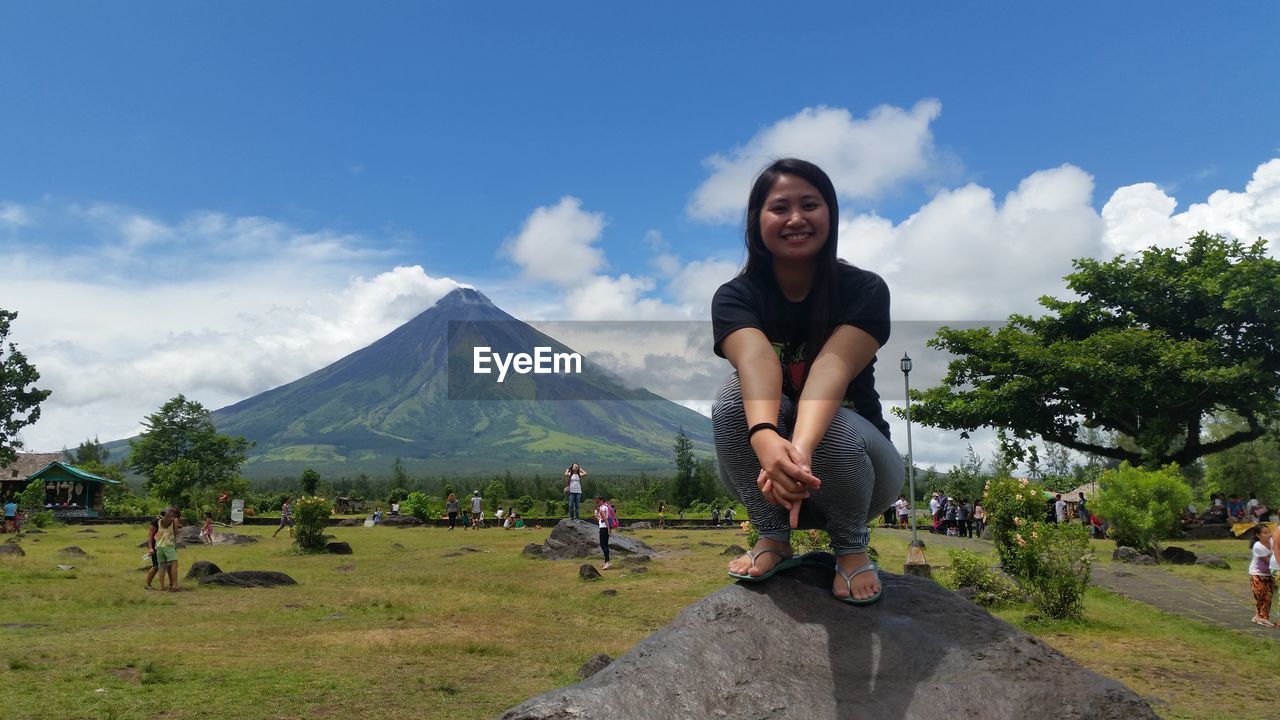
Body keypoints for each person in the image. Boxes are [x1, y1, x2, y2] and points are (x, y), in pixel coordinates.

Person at [712, 158, 903, 605]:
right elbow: (756, 360)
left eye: (810, 205)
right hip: (766, 482)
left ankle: (852, 547)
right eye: (780, 207)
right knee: (730, 397)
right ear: (756, 221)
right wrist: (763, 437)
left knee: (827, 417)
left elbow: (831, 370)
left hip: (862, 473)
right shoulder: (736, 296)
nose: (796, 218)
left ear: (830, 214)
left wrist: (795, 453)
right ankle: (772, 537)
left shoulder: (864, 290)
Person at [1249, 525, 1276, 627]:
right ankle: (1263, 618)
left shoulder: (1272, 542)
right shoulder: (1258, 546)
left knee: (1267, 595)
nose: (1268, 535)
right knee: (1262, 595)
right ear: (1258, 535)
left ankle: (1259, 616)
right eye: (1264, 533)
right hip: (1257, 574)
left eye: (1268, 532)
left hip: (1268, 574)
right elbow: (1269, 561)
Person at [155, 507, 181, 592]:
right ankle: (175, 585)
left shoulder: (159, 521)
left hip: (159, 546)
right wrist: (180, 530)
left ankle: (161, 586)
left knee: (162, 566)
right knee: (174, 564)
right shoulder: (175, 520)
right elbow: (176, 532)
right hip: (168, 545)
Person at [144, 513, 164, 590]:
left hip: (163, 546)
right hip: (155, 546)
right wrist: (150, 548)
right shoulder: (156, 520)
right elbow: (150, 534)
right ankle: (147, 584)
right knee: (156, 566)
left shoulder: (167, 521)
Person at [594, 495, 612, 570]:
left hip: (603, 528)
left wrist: (608, 528)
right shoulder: (607, 506)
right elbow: (603, 518)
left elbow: (605, 518)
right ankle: (606, 561)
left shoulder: (602, 508)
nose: (597, 504)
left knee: (603, 545)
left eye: (598, 502)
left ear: (601, 500)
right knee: (605, 545)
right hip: (606, 527)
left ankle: (607, 562)